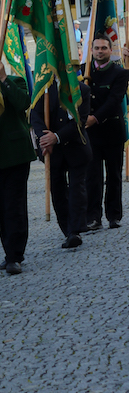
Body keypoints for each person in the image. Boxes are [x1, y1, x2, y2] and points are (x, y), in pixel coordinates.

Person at [0, 60, 36, 275]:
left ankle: (15, 255)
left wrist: (3, 79)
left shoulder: (15, 81)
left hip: (15, 155)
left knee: (13, 206)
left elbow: (23, 103)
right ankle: (9, 249)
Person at [31, 80, 91, 248]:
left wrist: (56, 137)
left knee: (76, 189)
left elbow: (80, 121)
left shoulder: (82, 90)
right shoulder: (42, 89)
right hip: (52, 152)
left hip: (76, 148)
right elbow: (35, 116)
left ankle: (75, 231)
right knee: (57, 191)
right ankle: (66, 229)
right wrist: (44, 139)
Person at [85, 34, 129, 231]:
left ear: (111, 51)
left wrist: (95, 118)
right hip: (91, 135)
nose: (100, 51)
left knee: (114, 176)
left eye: (104, 48)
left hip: (111, 130)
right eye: (97, 48)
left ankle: (114, 215)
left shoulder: (119, 73)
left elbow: (114, 100)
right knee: (92, 177)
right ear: (92, 50)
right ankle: (93, 217)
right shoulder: (84, 72)